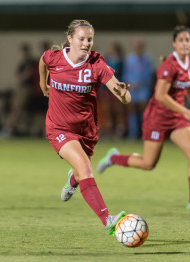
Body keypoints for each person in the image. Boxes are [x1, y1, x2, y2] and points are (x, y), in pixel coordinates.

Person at [97, 26, 190, 212]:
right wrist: (187, 112)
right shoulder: (169, 65)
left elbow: (188, 85)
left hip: (176, 118)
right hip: (157, 118)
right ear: (174, 43)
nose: (184, 43)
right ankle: (114, 158)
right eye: (181, 40)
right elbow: (160, 95)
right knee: (148, 164)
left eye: (188, 40)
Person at [38, 19, 131, 235]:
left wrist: (123, 92)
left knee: (81, 173)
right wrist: (44, 85)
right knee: (86, 168)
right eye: (82, 38)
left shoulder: (96, 65)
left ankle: (72, 180)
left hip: (87, 131)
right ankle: (108, 220)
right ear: (70, 39)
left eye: (90, 39)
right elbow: (43, 61)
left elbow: (125, 98)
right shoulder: (55, 58)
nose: (86, 43)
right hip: (59, 128)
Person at [0, 43, 35, 137]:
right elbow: (18, 78)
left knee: (17, 109)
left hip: (26, 89)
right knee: (14, 109)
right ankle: (11, 128)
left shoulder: (31, 63)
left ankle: (8, 129)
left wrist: (22, 76)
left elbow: (26, 75)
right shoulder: (22, 63)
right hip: (20, 88)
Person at [123, 37, 153, 139]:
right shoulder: (129, 59)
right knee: (132, 111)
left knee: (143, 111)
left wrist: (140, 83)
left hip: (143, 88)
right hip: (132, 88)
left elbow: (149, 74)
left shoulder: (147, 59)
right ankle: (133, 133)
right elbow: (126, 73)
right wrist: (130, 83)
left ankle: (145, 133)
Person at [98, 42, 127, 138]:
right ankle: (108, 129)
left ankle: (120, 129)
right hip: (107, 88)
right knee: (107, 110)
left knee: (118, 109)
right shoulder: (107, 59)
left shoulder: (121, 61)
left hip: (117, 87)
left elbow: (121, 74)